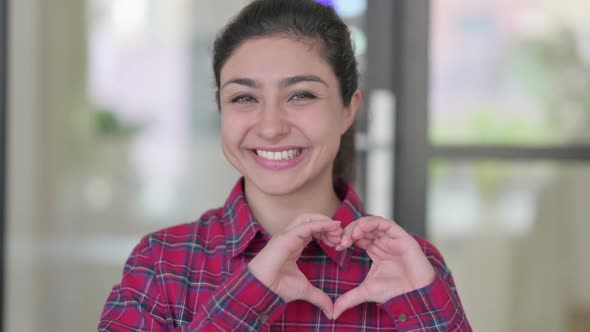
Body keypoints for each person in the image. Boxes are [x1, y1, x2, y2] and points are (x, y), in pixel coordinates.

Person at [98, 0, 472, 330]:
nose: (271, 127)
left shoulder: (413, 268)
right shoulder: (162, 263)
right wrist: (249, 297)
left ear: (348, 109)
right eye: (244, 97)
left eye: (301, 95)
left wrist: (424, 315)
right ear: (220, 109)